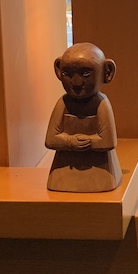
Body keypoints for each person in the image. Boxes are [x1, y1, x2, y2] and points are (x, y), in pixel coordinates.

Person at [45, 42, 122, 192]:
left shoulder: (101, 104)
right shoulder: (63, 103)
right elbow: (50, 139)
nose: (76, 83)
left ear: (107, 72)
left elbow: (108, 141)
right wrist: (70, 141)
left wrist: (78, 141)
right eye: (67, 73)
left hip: (100, 172)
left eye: (86, 73)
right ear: (58, 71)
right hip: (63, 172)